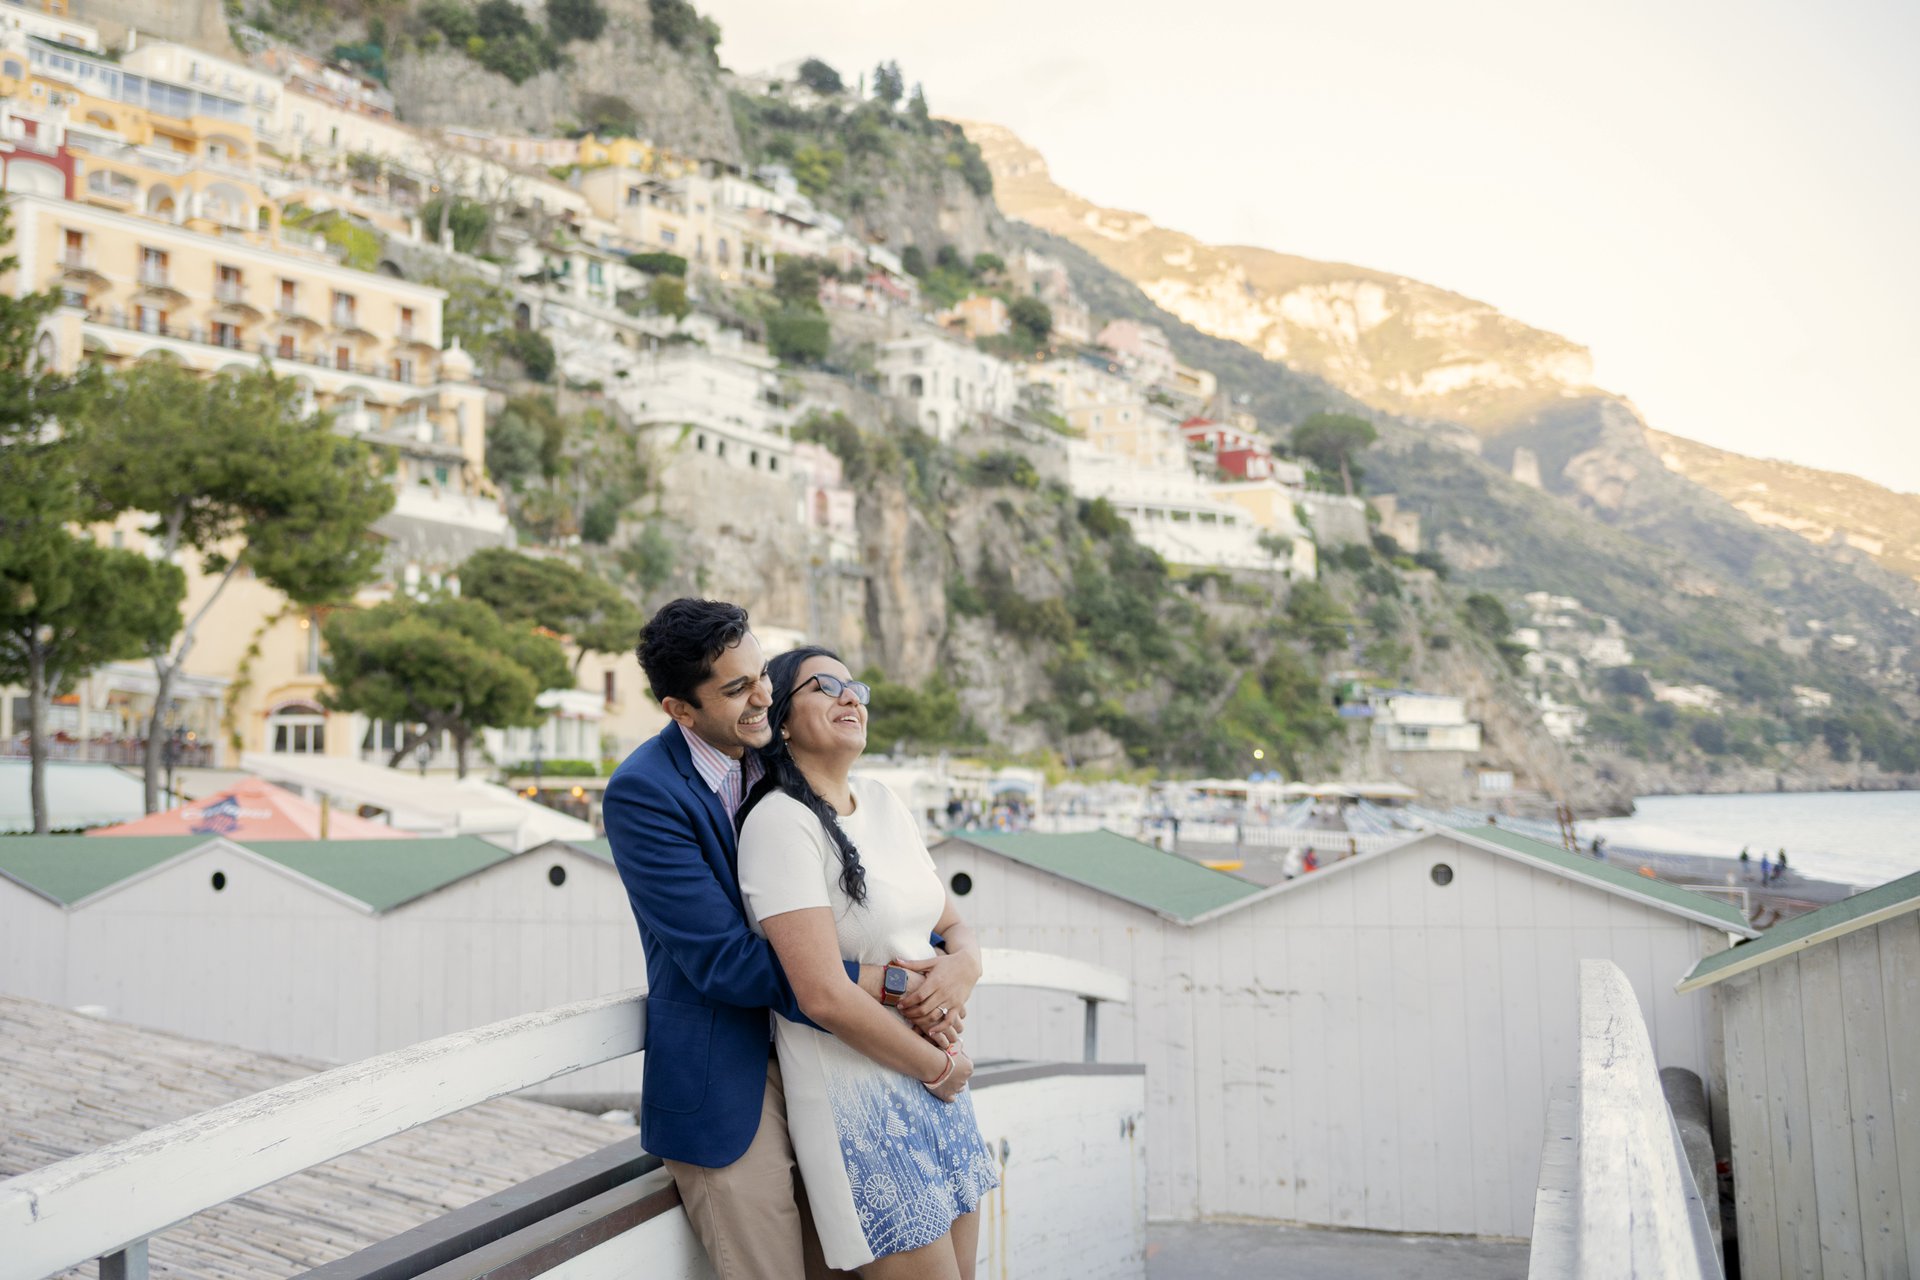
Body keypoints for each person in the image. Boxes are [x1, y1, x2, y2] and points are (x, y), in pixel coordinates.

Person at [603, 601, 960, 1280]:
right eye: (736, 689)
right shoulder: (643, 793)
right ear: (680, 710)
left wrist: (953, 965)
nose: (762, 696)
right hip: (730, 1075)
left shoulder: (776, 757)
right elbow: (723, 961)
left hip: (832, 1059)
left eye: (761, 674)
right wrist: (886, 985)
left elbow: (875, 885)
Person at [737, 646, 1000, 1278]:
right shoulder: (780, 823)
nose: (850, 696)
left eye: (856, 686)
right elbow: (823, 995)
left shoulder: (884, 802)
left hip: (937, 1088)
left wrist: (967, 965)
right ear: (781, 720)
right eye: (824, 686)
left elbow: (951, 924)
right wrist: (939, 1067)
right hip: (861, 1105)